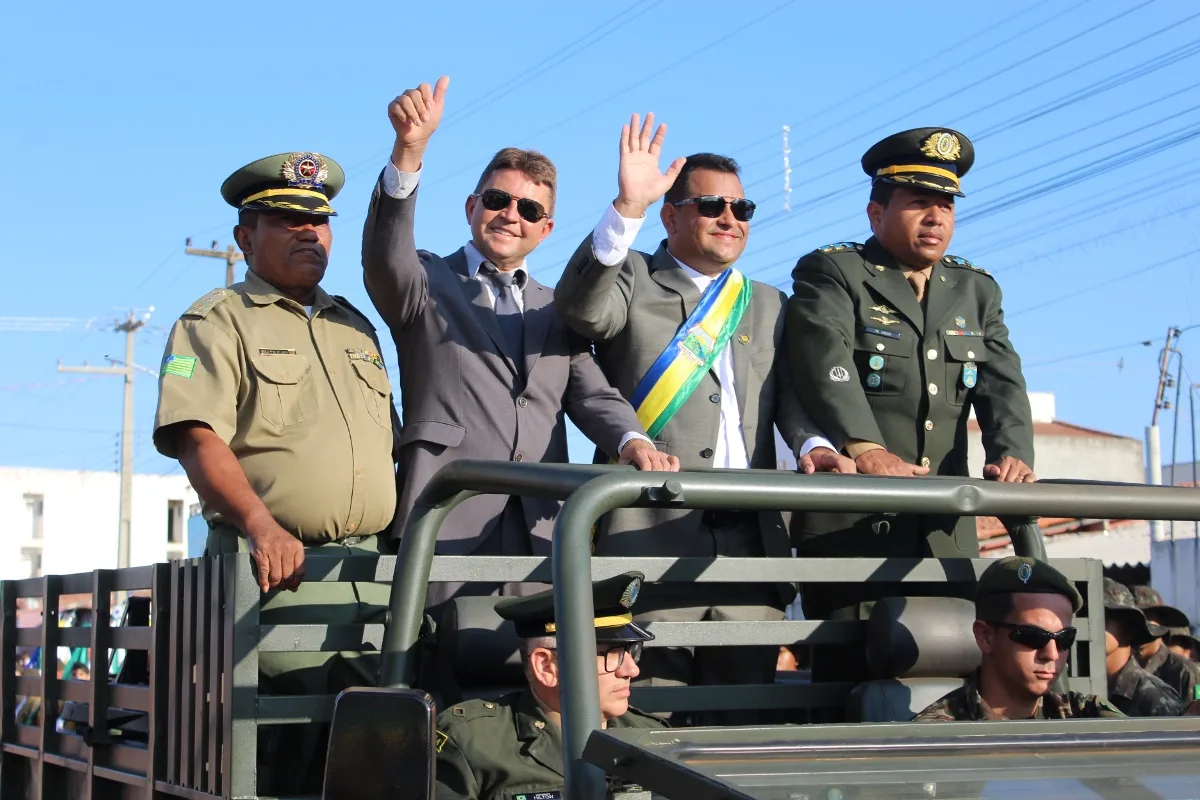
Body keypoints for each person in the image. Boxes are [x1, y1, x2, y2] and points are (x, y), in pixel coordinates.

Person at [553, 114, 854, 724]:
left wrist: (813, 445)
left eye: (742, 209)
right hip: (650, 533)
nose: (730, 219)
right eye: (712, 205)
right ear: (669, 216)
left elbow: (789, 397)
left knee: (742, 720)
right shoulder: (632, 275)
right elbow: (581, 312)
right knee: (648, 715)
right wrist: (626, 208)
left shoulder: (766, 301)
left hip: (752, 541)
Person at [361, 79, 677, 607]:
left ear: (545, 229)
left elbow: (592, 394)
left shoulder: (556, 308)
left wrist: (632, 441)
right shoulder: (425, 282)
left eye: (529, 210)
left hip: (542, 528)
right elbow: (385, 253)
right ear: (471, 206)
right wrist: (408, 154)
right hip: (445, 521)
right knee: (442, 656)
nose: (511, 214)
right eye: (497, 200)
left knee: (541, 655)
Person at [153, 151, 397, 793]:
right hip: (275, 577)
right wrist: (261, 525)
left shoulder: (356, 328)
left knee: (370, 766)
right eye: (288, 220)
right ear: (245, 237)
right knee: (280, 762)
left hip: (369, 581)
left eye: (319, 221)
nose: (309, 233)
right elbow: (196, 437)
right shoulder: (216, 320)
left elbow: (388, 444)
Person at [785, 128, 1037, 675]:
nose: (936, 218)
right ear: (876, 213)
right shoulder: (835, 272)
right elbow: (824, 365)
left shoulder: (975, 289)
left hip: (943, 531)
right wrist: (866, 447)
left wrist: (1013, 454)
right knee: (850, 687)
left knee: (950, 680)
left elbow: (1002, 382)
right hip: (853, 529)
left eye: (946, 206)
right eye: (919, 202)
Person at [435, 572, 666, 800]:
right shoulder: (472, 743)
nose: (632, 670)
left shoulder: (654, 738)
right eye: (612, 655)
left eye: (630, 651)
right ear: (547, 667)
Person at [914, 557, 1123, 721]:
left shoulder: (1086, 715)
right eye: (1034, 636)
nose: (1051, 654)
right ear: (986, 636)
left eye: (1064, 638)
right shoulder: (936, 736)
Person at [1102, 579, 1189, 717]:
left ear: (1129, 629)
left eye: (1105, 617)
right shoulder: (1080, 692)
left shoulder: (1155, 699)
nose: (1093, 625)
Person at [1129, 584, 1200, 702]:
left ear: (1161, 623)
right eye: (1132, 620)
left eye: (1145, 619)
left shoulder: (1185, 673)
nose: (1139, 626)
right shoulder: (1119, 668)